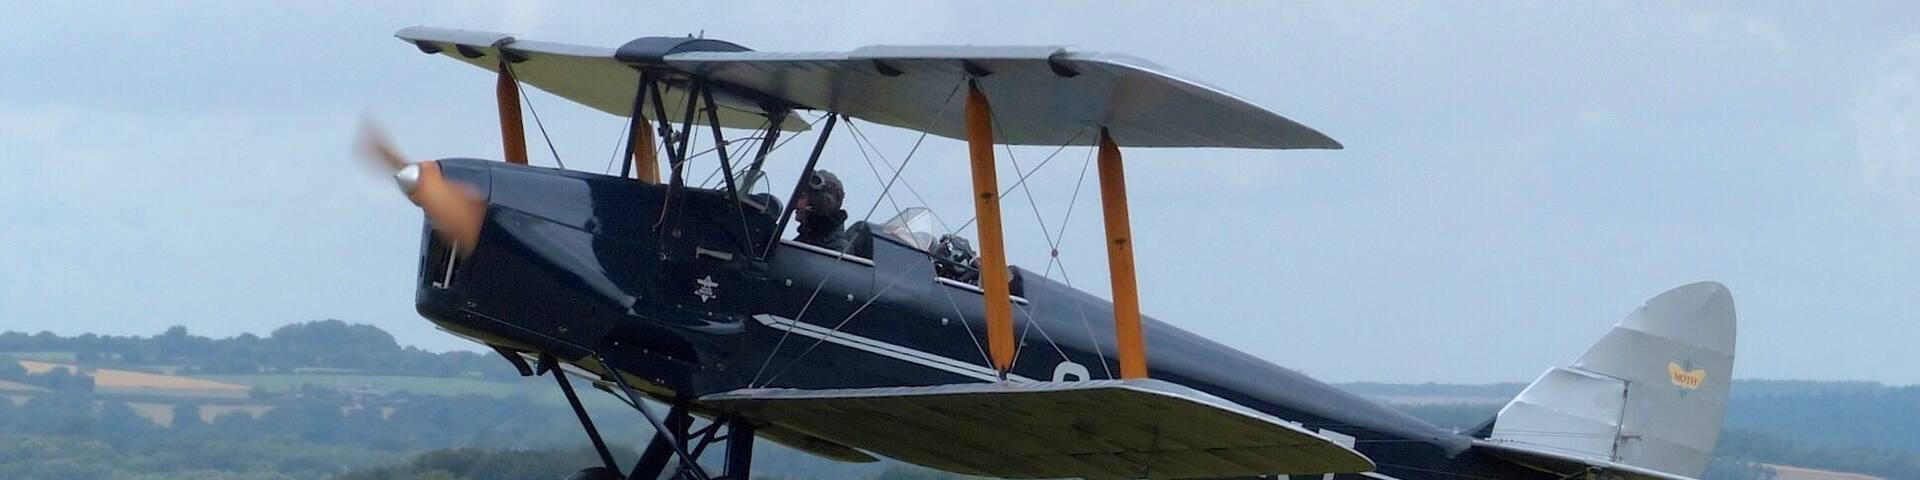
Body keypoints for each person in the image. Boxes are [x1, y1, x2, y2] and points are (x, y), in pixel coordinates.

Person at [792, 170, 852, 251]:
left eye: (802, 197)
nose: (795, 204)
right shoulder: (798, 243)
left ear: (819, 203)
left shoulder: (838, 250)